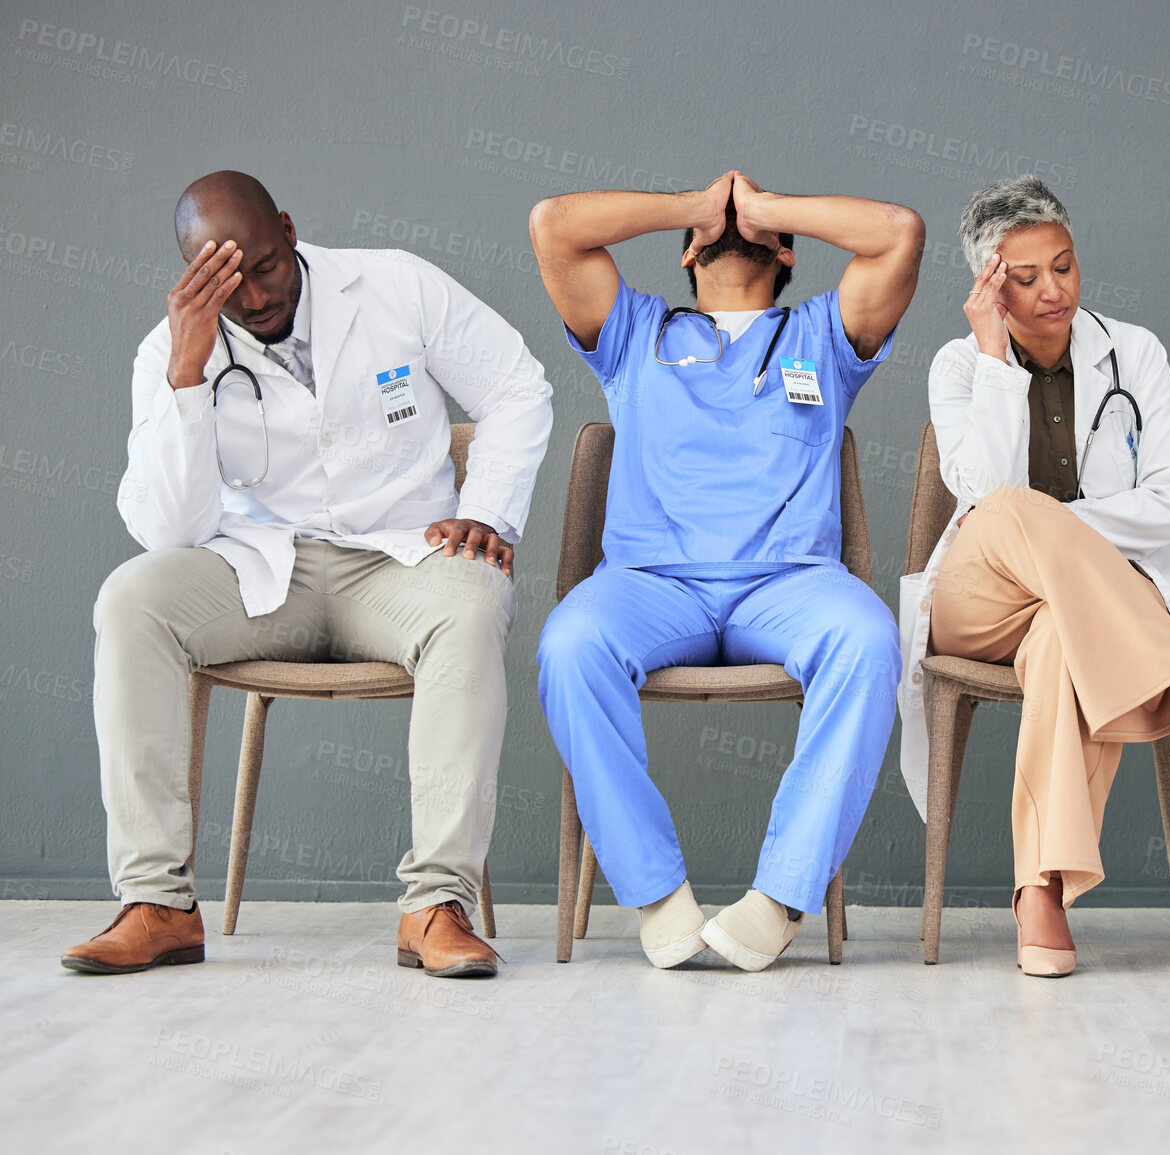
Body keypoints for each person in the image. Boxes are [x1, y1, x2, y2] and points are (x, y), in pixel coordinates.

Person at [62, 171, 553, 979]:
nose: (253, 298)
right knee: (131, 599)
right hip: (262, 570)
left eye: (263, 267)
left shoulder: (394, 284)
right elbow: (168, 531)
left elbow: (514, 384)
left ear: (288, 231)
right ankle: (158, 904)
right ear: (192, 279)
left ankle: (435, 906)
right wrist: (187, 372)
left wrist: (489, 512)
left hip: (399, 560)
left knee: (473, 600)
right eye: (226, 283)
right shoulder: (172, 348)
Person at [529, 171, 922, 972]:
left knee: (869, 638)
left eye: (758, 227)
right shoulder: (634, 331)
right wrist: (696, 209)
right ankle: (657, 896)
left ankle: (778, 898)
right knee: (569, 642)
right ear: (684, 256)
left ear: (785, 254)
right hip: (651, 584)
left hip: (787, 585)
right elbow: (553, 225)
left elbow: (898, 231)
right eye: (717, 225)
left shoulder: (822, 335)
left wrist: (768, 210)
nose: (734, 226)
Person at [899, 176, 1170, 978]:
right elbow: (981, 495)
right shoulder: (958, 366)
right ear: (988, 283)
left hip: (1082, 612)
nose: (1052, 291)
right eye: (1025, 278)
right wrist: (997, 360)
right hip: (977, 600)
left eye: (1063, 267)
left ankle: (1040, 893)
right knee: (1007, 509)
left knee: (1066, 637)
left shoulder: (1134, 353)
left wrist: (1060, 529)